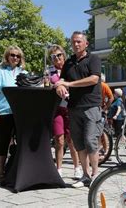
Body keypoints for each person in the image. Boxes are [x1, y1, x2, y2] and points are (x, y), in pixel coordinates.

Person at [56, 31, 102, 188]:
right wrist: (60, 85)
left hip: (91, 106)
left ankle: (96, 174)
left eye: (79, 42)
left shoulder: (93, 59)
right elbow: (62, 79)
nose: (76, 44)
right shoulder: (68, 62)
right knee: (78, 143)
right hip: (73, 107)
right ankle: (85, 175)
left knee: (90, 141)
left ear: (86, 44)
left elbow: (94, 79)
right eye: (73, 42)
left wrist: (69, 84)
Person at [0, 45, 26, 183]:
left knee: (21, 142)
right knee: (3, 142)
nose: (15, 58)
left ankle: (18, 170)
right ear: (7, 56)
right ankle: (0, 171)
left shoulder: (24, 73)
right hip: (4, 112)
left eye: (17, 56)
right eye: (12, 55)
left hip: (20, 113)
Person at [48, 45, 81, 179]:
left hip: (70, 107)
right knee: (59, 140)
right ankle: (59, 168)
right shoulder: (50, 71)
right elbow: (53, 82)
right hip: (57, 109)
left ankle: (77, 167)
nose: (57, 58)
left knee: (72, 140)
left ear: (64, 55)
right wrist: (58, 84)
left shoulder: (70, 68)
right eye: (53, 56)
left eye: (59, 55)